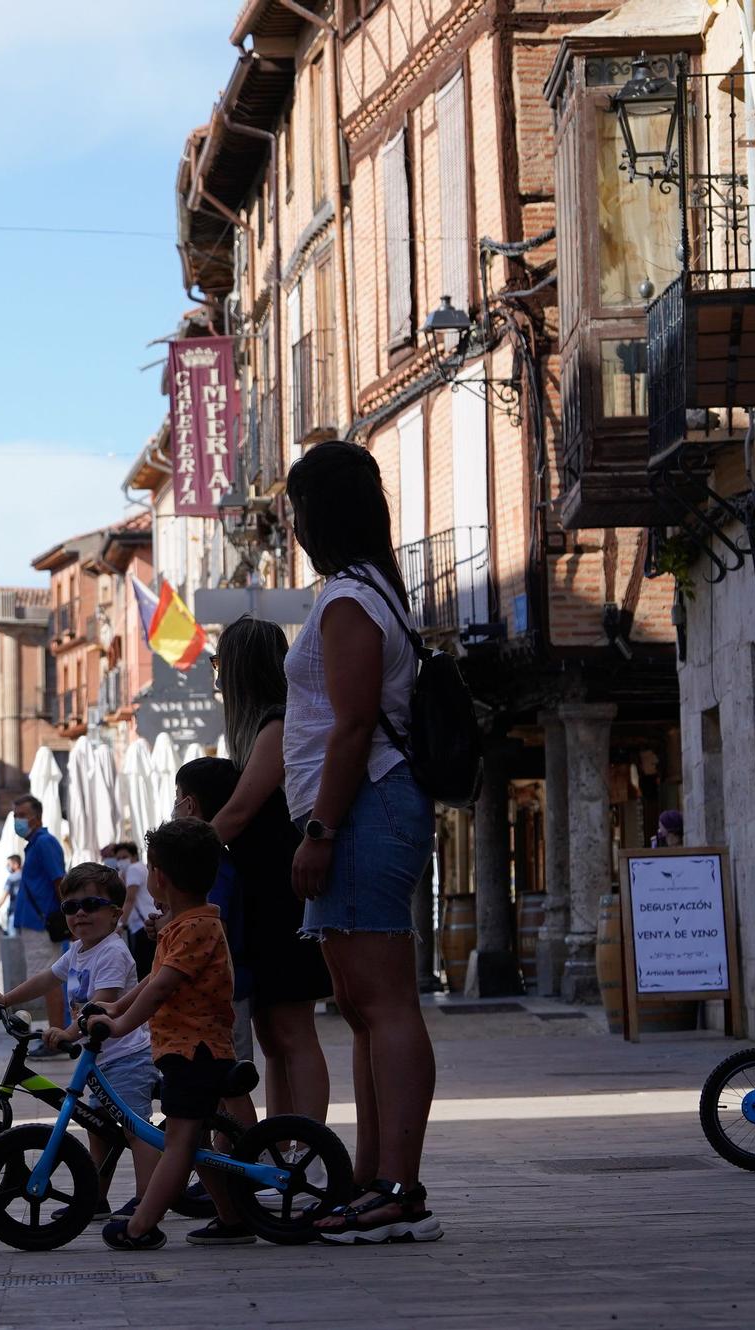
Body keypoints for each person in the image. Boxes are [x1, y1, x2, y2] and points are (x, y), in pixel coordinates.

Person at [284, 439, 441, 1244]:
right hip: (369, 808)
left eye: (297, 508)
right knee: (360, 1009)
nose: (294, 525)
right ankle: (372, 1177)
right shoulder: (373, 589)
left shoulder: (350, 601)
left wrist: (320, 829)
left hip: (364, 808)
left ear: (319, 514)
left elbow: (349, 729)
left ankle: (398, 1185)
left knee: (384, 1005)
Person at [88, 817, 250, 1250]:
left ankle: (141, 1225)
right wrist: (117, 1006)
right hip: (184, 1050)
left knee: (178, 1142)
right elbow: (153, 977)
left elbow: (162, 986)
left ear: (159, 876)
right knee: (192, 1139)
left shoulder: (197, 927)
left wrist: (121, 1025)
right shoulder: (181, 924)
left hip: (195, 1052)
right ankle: (232, 1217)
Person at [0, 862, 161, 1214]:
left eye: (91, 905)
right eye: (71, 907)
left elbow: (104, 1004)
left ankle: (146, 1204)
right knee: (99, 1131)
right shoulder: (78, 950)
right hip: (99, 1061)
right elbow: (46, 979)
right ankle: (94, 1198)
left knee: (134, 1131)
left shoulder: (111, 952)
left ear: (115, 914)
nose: (80, 913)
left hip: (126, 1057)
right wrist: (6, 998)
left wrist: (67, 1032)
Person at [208, 616, 333, 1122]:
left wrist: (179, 852)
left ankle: (309, 1148)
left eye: (219, 663)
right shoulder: (258, 729)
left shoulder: (275, 724)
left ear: (240, 667)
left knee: (292, 1029)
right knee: (272, 1034)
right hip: (263, 895)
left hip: (286, 895)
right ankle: (282, 1149)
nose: (215, 676)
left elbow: (238, 813)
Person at [174, 759, 254, 1063]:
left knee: (229, 1076)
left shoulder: (210, 865)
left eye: (177, 795)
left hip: (222, 990)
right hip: (221, 988)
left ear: (189, 804)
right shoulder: (218, 862)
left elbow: (210, 922)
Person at [0, 796, 67, 1041]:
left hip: (42, 924)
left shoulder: (44, 842)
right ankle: (54, 1033)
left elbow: (59, 881)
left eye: (21, 815)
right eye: (15, 815)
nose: (17, 820)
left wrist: (68, 916)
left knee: (48, 980)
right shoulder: (34, 844)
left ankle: (55, 1037)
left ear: (36, 817)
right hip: (34, 923)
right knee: (46, 978)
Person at [108, 842, 155, 976]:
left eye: (124, 857)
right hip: (145, 922)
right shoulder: (139, 868)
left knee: (143, 969)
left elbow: (130, 899)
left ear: (134, 856)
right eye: (118, 859)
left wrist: (120, 924)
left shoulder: (134, 869)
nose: (121, 861)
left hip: (142, 926)